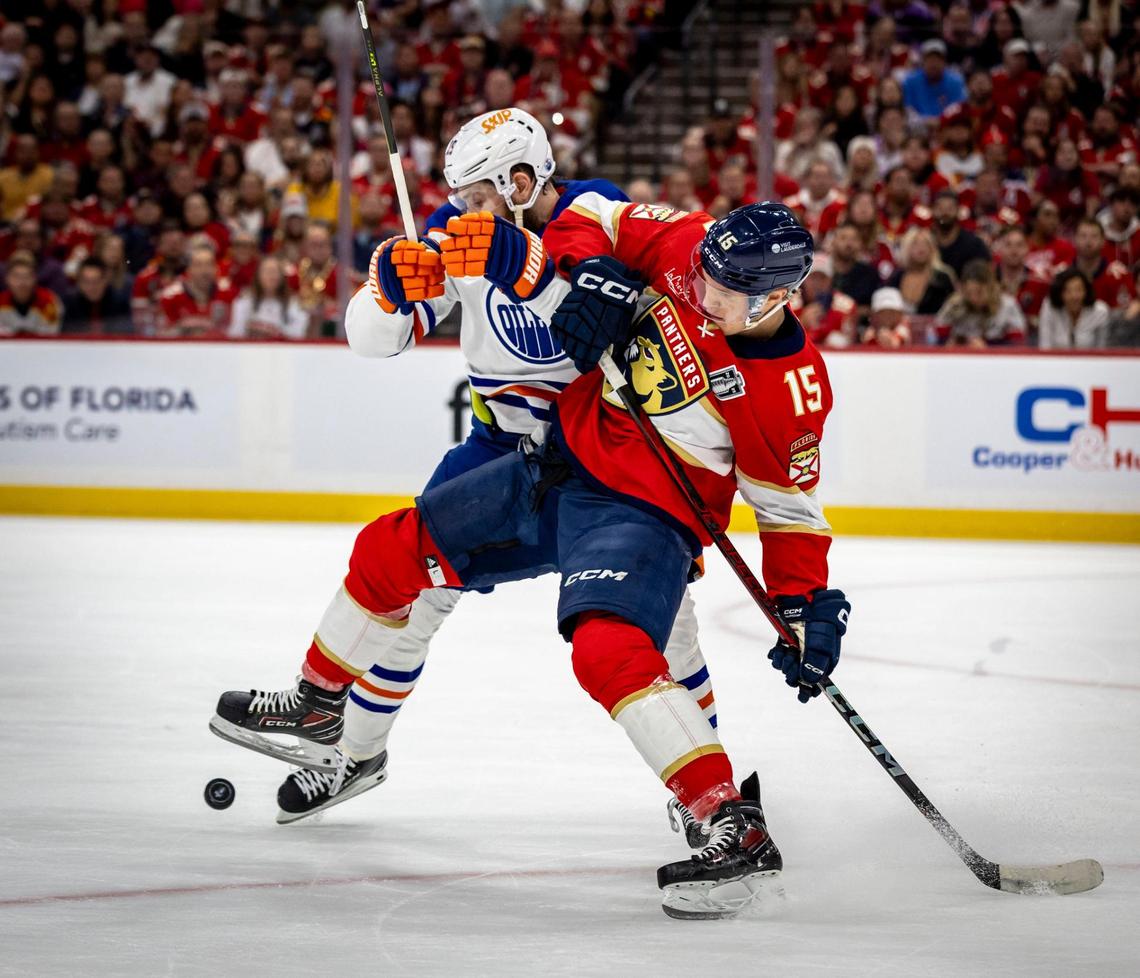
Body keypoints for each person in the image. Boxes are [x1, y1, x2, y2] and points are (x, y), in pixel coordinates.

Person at [220, 195, 848, 920]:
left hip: (644, 514)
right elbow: (592, 215)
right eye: (703, 277)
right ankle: (318, 705)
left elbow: (787, 509)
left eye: (726, 294)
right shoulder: (691, 243)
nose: (703, 296)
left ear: (779, 296)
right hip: (560, 467)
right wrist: (593, 275)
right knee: (390, 547)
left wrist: (803, 605)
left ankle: (728, 820)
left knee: (608, 651)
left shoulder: (789, 387)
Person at [211, 109, 717, 831]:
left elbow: (670, 297)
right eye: (457, 193)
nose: (460, 209)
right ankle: (353, 754)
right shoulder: (454, 231)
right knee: (411, 598)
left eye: (478, 193)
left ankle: (709, 796)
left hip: (607, 458)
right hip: (498, 447)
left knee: (663, 629)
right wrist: (387, 291)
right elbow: (369, 341)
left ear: (521, 180)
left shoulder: (597, 216)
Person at [935, 258, 1026, 346]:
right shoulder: (954, 304)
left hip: (996, 357)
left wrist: (987, 348)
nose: (973, 298)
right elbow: (938, 339)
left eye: (979, 292)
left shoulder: (1007, 306)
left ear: (991, 287)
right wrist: (949, 345)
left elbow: (1017, 345)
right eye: (969, 293)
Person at [229, 256, 308, 340]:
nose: (271, 275)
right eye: (267, 271)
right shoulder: (244, 302)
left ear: (282, 277)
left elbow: (299, 335)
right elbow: (236, 334)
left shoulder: (293, 304)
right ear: (257, 276)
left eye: (275, 271)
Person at [1038, 267, 1110, 348]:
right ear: (1060, 293)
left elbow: (1103, 350)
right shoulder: (1050, 307)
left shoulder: (1100, 312)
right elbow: (1044, 346)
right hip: (1055, 360)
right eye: (1068, 291)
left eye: (1079, 290)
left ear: (1086, 291)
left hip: (1089, 360)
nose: (1074, 296)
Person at [61, 257, 133, 335]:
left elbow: (126, 335)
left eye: (96, 281)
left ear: (105, 280)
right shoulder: (71, 303)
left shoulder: (119, 303)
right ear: (79, 282)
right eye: (86, 281)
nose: (91, 287)